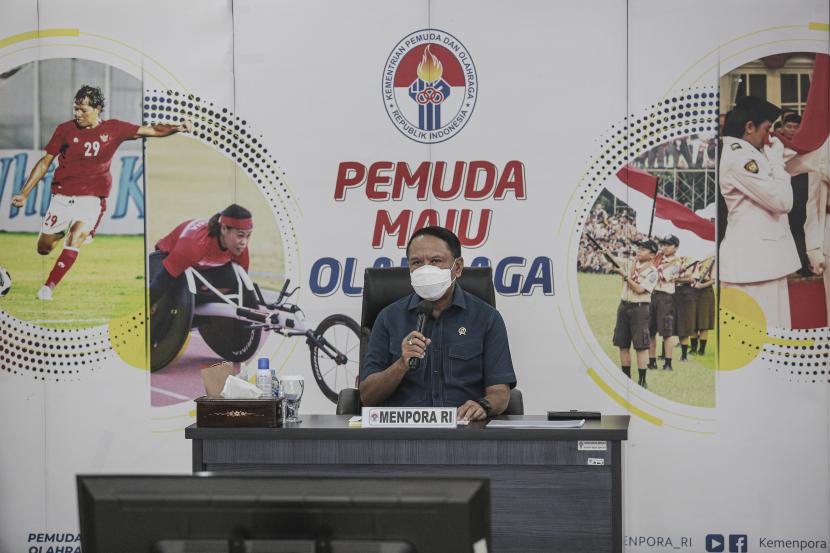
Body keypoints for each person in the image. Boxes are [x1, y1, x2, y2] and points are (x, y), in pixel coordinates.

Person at [11, 85, 192, 300]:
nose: (78, 114)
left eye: (83, 110)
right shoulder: (64, 130)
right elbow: (44, 163)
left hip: (92, 198)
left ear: (97, 109)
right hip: (62, 197)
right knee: (44, 248)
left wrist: (178, 127)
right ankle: (67, 234)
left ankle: (48, 287)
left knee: (76, 237)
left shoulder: (114, 128)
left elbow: (152, 130)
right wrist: (24, 193)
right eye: (75, 109)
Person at [359, 226, 516, 421]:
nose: (426, 269)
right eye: (417, 262)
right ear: (409, 268)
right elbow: (367, 397)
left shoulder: (486, 318)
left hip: (465, 431)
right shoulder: (389, 317)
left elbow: (500, 393)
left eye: (435, 261)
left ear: (457, 267)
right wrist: (401, 364)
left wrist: (482, 406)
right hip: (403, 433)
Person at [719, 95, 800, 328]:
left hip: (762, 263)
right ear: (749, 127)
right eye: (766, 129)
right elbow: (782, 201)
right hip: (753, 265)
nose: (769, 136)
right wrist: (776, 162)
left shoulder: (748, 152)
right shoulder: (739, 156)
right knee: (761, 340)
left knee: (775, 335)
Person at [149, 204, 253, 305]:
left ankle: (205, 297)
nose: (244, 242)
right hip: (164, 259)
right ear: (224, 229)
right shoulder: (194, 244)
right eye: (240, 235)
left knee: (232, 279)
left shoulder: (239, 246)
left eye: (248, 236)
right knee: (192, 287)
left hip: (201, 266)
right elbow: (160, 282)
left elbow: (244, 286)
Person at [610, 239, 659, 389]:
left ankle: (642, 380)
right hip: (624, 306)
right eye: (639, 248)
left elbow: (639, 290)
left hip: (639, 309)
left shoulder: (653, 272)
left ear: (652, 255)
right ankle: (626, 378)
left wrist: (625, 276)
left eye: (644, 249)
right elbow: (614, 260)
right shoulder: (631, 264)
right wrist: (605, 254)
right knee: (622, 343)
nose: (639, 251)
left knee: (641, 345)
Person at [648, 235, 680, 371]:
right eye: (663, 244)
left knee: (666, 332)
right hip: (652, 295)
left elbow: (660, 276)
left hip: (665, 298)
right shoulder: (658, 258)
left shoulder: (676, 263)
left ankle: (668, 363)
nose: (664, 247)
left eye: (668, 244)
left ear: (676, 247)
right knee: (650, 330)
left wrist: (651, 267)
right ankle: (652, 361)